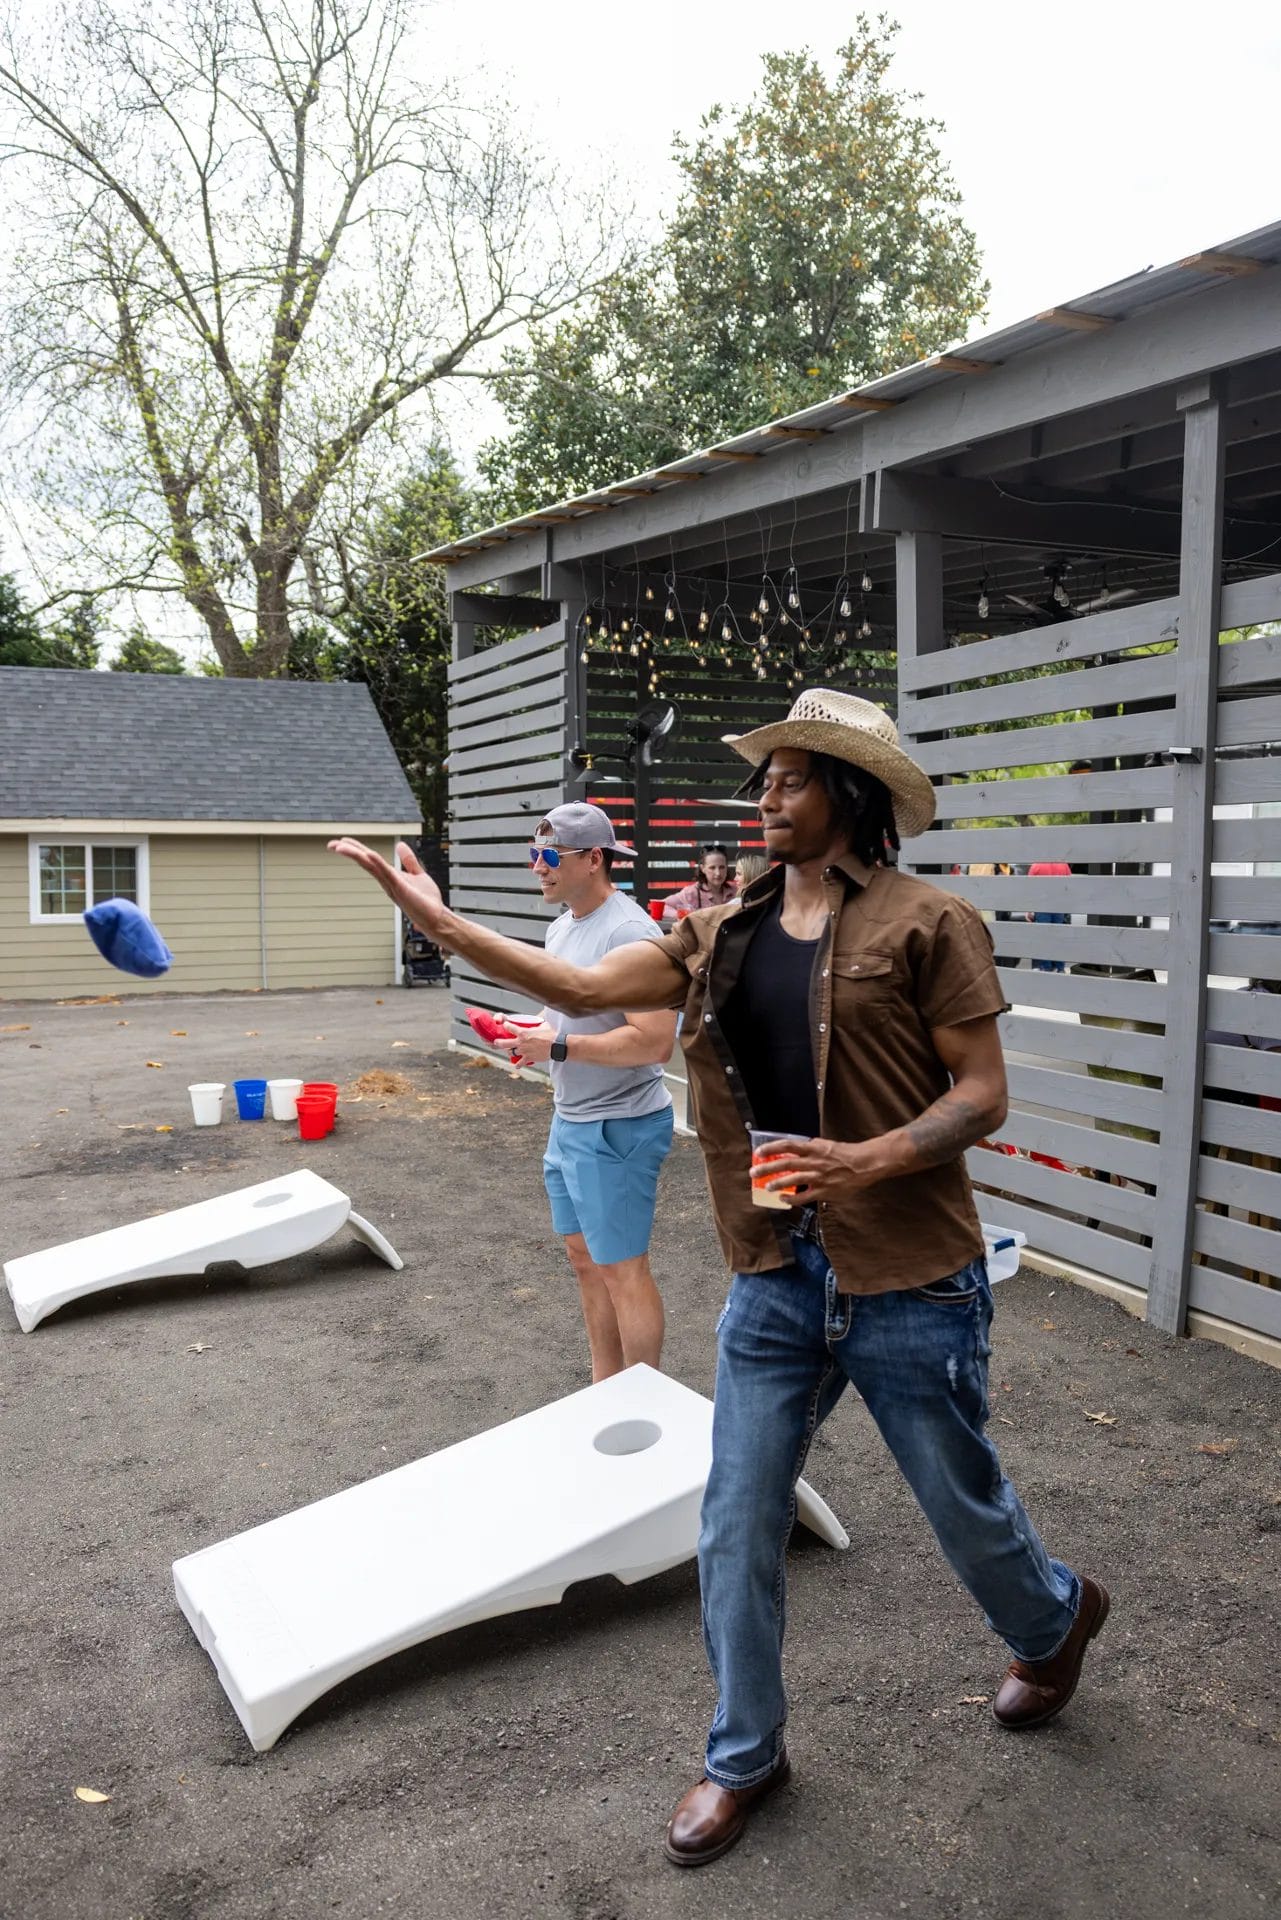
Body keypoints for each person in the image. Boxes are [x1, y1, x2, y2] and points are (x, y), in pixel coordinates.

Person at [329, 689, 1108, 1869]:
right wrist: (436, 919)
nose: (766, 798)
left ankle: (1053, 1620)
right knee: (735, 1515)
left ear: (850, 795)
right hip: (777, 1273)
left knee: (962, 1507)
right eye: (767, 779)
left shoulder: (929, 922)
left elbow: (984, 1094)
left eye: (791, 778)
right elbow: (587, 991)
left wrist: (869, 1156)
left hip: (908, 1274)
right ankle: (746, 1755)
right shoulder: (722, 927)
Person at [491, 802, 677, 1382]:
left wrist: (561, 1048)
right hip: (571, 1119)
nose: (537, 868)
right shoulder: (562, 926)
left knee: (623, 1271)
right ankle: (605, 1390)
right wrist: (530, 1038)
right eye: (534, 855)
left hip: (618, 1126)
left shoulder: (630, 933)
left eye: (549, 856)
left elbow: (654, 1042)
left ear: (594, 859)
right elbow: (563, 1021)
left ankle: (643, 1406)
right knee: (585, 1262)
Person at [661, 843, 736, 922]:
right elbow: (662, 906)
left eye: (722, 867)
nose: (718, 873)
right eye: (712, 868)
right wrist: (681, 915)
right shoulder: (691, 893)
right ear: (702, 868)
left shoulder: (736, 891)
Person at [1026, 860, 1071, 971]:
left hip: (1042, 906)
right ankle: (1060, 968)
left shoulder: (1036, 865)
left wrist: (1029, 910)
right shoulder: (1063, 865)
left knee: (1044, 937)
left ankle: (1046, 968)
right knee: (1058, 937)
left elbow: (1029, 889)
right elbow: (1070, 885)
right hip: (1059, 906)